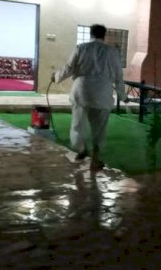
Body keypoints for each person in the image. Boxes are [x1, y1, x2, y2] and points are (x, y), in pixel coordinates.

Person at [52, 24, 127, 170]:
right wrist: (122, 96)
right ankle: (95, 159)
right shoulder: (112, 52)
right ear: (104, 35)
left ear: (90, 34)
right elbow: (119, 76)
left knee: (77, 125)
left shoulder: (81, 48)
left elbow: (68, 68)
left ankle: (81, 150)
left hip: (81, 92)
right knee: (99, 128)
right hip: (102, 94)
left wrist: (56, 77)